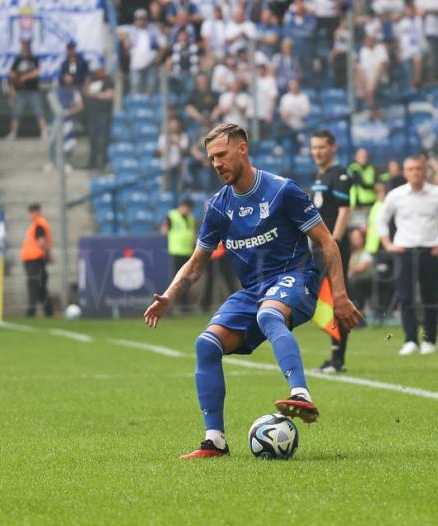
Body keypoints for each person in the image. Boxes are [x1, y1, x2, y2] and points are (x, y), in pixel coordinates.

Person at [143, 123, 362, 459]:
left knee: (269, 313)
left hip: (297, 278)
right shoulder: (218, 206)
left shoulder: (282, 191)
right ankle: (214, 440)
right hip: (254, 290)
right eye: (211, 159)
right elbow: (197, 262)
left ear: (242, 149)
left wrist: (341, 296)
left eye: (221, 155)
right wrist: (169, 296)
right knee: (206, 344)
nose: (216, 164)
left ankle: (300, 394)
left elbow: (326, 242)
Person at [377, 156, 438, 356]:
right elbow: (381, 219)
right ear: (405, 172)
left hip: (429, 251)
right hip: (405, 251)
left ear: (425, 171)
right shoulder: (396, 195)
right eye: (411, 169)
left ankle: (429, 340)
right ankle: (410, 339)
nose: (415, 172)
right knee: (406, 297)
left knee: (431, 298)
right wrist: (388, 243)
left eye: (418, 168)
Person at [308, 129, 353, 373]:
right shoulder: (320, 176)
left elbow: (345, 210)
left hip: (332, 247)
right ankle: (335, 355)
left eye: (321, 147)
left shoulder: (340, 174)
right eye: (314, 147)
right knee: (325, 299)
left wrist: (333, 241)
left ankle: (338, 358)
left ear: (333, 148)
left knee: (337, 298)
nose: (317, 152)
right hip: (319, 247)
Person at [161, 197, 196, 313]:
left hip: (187, 253)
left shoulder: (191, 218)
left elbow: (193, 234)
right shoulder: (172, 215)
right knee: (175, 280)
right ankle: (172, 306)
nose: (188, 210)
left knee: (186, 280)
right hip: (175, 252)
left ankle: (185, 306)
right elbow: (164, 230)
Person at [20, 203, 54, 317]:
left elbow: (41, 242)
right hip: (34, 259)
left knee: (34, 285)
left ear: (38, 212)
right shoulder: (38, 224)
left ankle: (32, 310)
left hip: (35, 260)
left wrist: (47, 255)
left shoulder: (39, 225)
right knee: (40, 286)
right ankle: (48, 310)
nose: (31, 215)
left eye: (33, 212)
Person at [9, 40, 46, 139]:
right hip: (20, 91)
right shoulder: (17, 60)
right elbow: (11, 74)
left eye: (27, 48)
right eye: (23, 48)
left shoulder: (34, 60)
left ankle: (44, 132)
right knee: (16, 112)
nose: (25, 50)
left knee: (39, 111)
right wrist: (16, 79)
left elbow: (37, 72)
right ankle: (13, 133)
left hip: (33, 90)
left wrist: (24, 77)